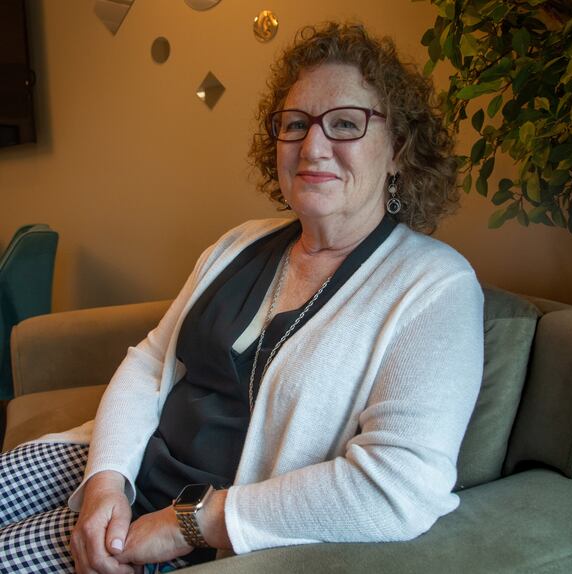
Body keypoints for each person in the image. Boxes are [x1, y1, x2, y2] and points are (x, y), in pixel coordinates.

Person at [0, 21, 484, 573]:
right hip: (116, 466)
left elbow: (401, 488)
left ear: (398, 149)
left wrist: (189, 523)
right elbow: (151, 361)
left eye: (346, 123)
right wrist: (106, 479)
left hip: (193, 538)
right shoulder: (239, 242)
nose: (312, 146)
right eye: (294, 124)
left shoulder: (434, 287)